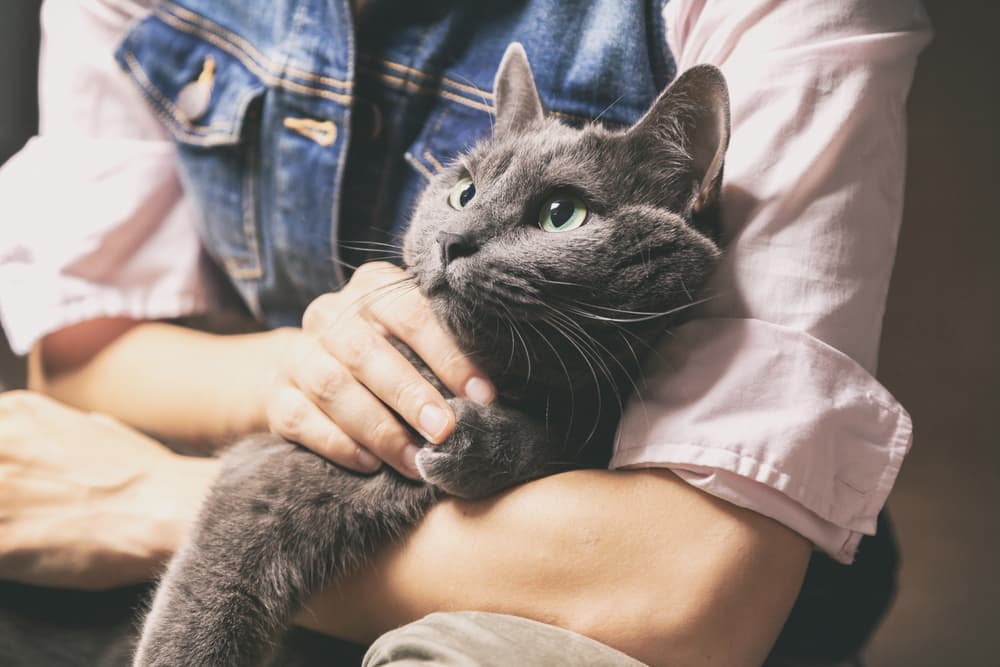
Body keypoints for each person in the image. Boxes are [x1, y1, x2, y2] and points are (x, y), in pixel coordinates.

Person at [0, 0, 931, 665]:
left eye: (559, 212)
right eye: (466, 190)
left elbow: (689, 590)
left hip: (663, 561)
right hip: (337, 471)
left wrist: (150, 500)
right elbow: (77, 353)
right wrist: (324, 368)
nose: (469, 234)